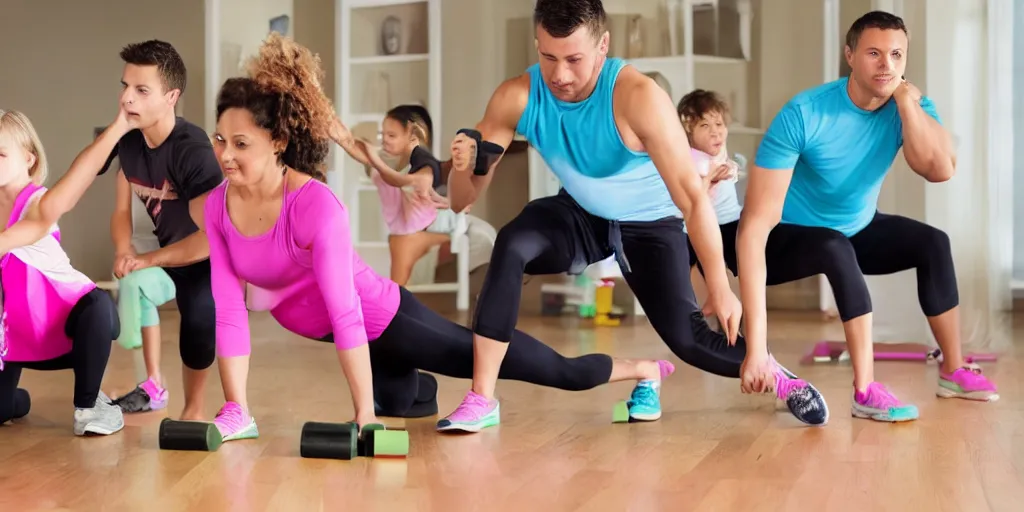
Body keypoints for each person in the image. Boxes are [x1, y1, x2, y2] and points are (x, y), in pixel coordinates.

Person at [202, 33, 679, 440]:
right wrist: (236, 410)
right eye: (219, 140)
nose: (225, 155)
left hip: (382, 320)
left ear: (277, 142)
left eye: (241, 143)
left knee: (522, 365)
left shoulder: (313, 205)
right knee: (403, 400)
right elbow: (228, 310)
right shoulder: (219, 207)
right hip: (353, 343)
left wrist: (362, 418)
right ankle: (417, 388)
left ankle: (642, 371)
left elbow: (346, 311)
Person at [436, 0, 829, 433]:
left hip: (651, 221)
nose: (560, 75)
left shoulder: (638, 97)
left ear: (603, 45)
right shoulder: (517, 96)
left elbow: (693, 200)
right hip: (582, 212)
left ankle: (777, 375)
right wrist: (462, 166)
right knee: (512, 242)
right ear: (537, 44)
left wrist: (719, 285)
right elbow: (459, 202)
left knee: (690, 342)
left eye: (574, 59)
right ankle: (482, 399)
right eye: (548, 58)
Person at [735, 11, 998, 423]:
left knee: (933, 242)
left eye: (896, 55)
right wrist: (756, 346)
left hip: (855, 226)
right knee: (834, 245)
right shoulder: (805, 112)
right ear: (850, 55)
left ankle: (953, 368)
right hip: (787, 234)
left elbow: (940, 170)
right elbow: (754, 225)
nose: (887, 65)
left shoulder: (911, 106)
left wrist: (908, 104)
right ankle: (865, 391)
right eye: (874, 53)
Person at [0, 41, 222, 419]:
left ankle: (195, 409)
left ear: (171, 97)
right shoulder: (130, 142)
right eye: (125, 86)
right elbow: (103, 195)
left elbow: (213, 235)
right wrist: (124, 248)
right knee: (137, 291)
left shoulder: (192, 150)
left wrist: (147, 257)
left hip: (207, 256)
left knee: (199, 317)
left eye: (141, 90)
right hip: (168, 255)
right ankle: (154, 383)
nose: (127, 98)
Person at [0, 109, 124, 436]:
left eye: (0, 153)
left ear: (28, 158)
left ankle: (89, 407)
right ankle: (14, 400)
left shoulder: (38, 203)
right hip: (19, 333)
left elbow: (8, 240)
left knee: (98, 305)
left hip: (76, 326)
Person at [362, 105, 457, 285]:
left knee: (401, 243)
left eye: (392, 135)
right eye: (384, 135)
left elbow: (402, 181)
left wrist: (373, 159)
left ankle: (396, 300)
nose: (386, 140)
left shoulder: (425, 166)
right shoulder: (398, 160)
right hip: (407, 230)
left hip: (416, 231)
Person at [676, 89, 743, 309]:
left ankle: (719, 301)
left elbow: (730, 169)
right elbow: (690, 199)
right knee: (689, 259)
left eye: (719, 125)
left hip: (728, 221)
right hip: (699, 226)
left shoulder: (716, 149)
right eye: (705, 126)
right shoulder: (691, 160)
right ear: (688, 131)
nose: (715, 133)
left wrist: (731, 169)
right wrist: (709, 181)